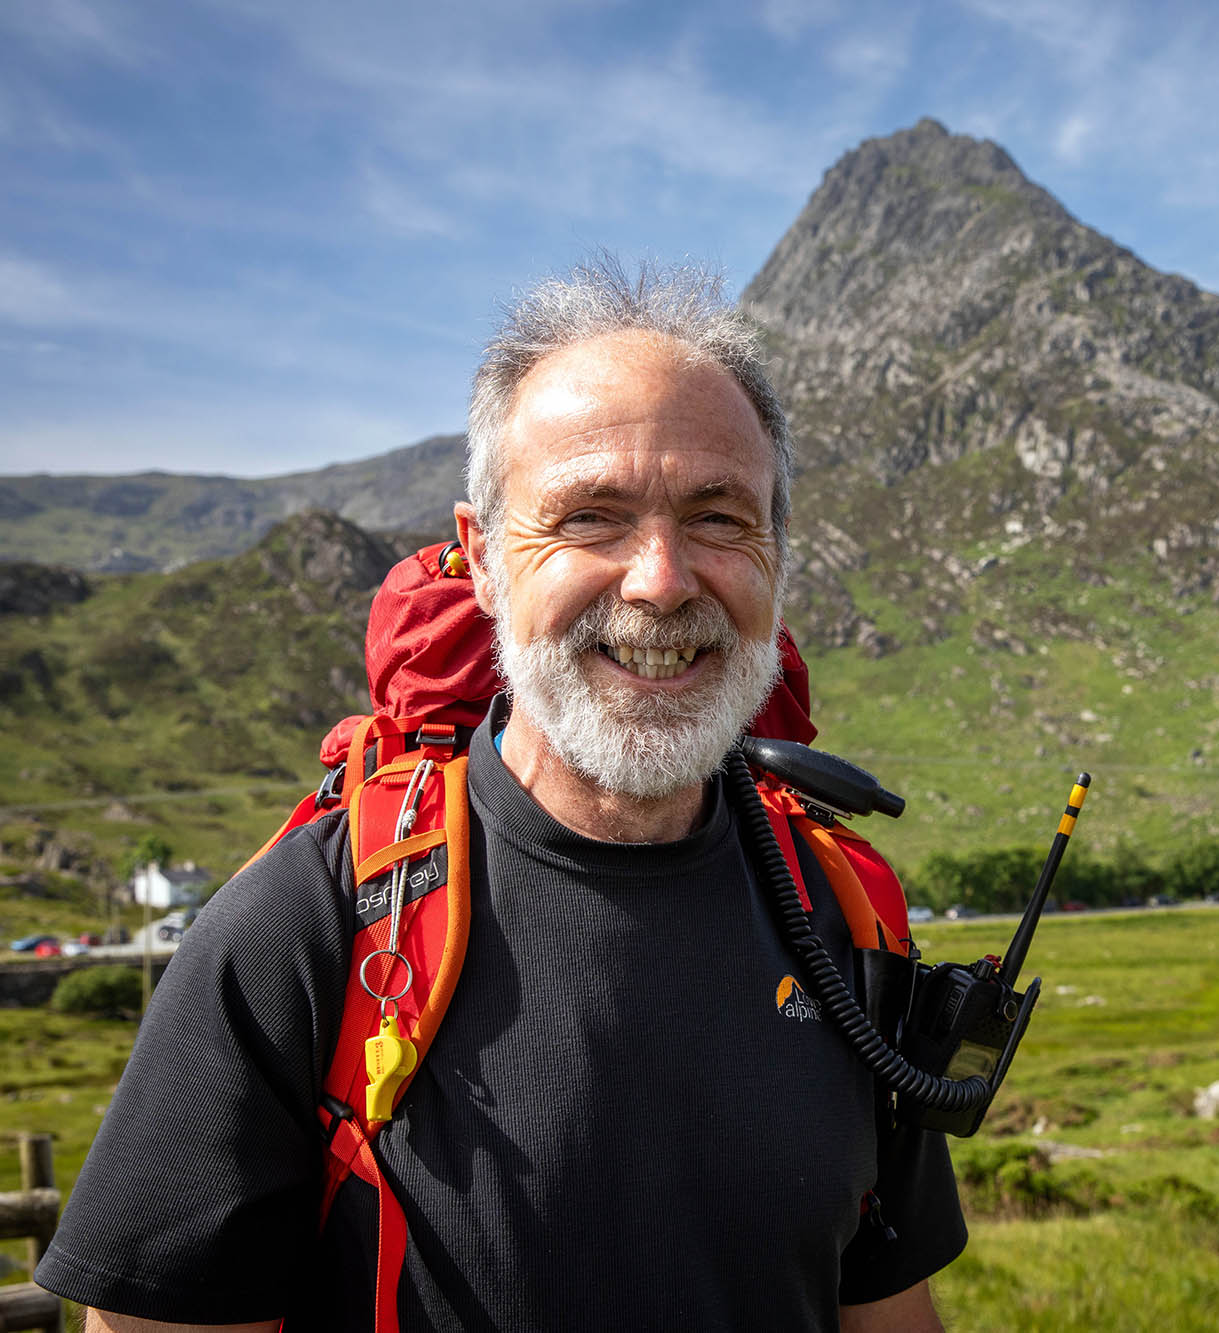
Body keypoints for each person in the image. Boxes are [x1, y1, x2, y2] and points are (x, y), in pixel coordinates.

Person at [36, 259, 965, 1331]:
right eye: (589, 518)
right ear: (481, 561)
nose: (660, 579)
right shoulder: (304, 927)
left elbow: (887, 1312)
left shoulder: (847, 922)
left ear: (776, 557)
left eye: (718, 517)